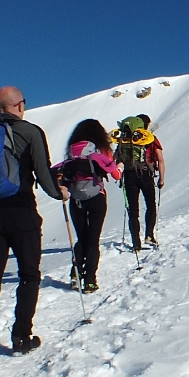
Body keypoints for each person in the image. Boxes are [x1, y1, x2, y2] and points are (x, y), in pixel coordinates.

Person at [0, 86, 67, 370]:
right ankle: (21, 337)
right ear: (18, 105)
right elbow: (44, 175)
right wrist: (61, 194)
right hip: (21, 214)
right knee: (29, 275)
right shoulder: (30, 132)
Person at [55, 119, 122, 292]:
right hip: (96, 198)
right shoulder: (98, 152)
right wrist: (119, 167)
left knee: (82, 239)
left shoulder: (70, 157)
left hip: (76, 200)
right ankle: (90, 280)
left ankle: (75, 274)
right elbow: (115, 174)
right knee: (93, 240)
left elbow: (55, 172)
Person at [115, 114, 166, 252]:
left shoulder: (125, 140)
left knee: (133, 210)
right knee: (151, 205)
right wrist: (161, 178)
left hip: (129, 175)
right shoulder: (150, 138)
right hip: (146, 175)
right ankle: (149, 235)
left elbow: (118, 160)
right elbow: (160, 159)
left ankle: (136, 243)